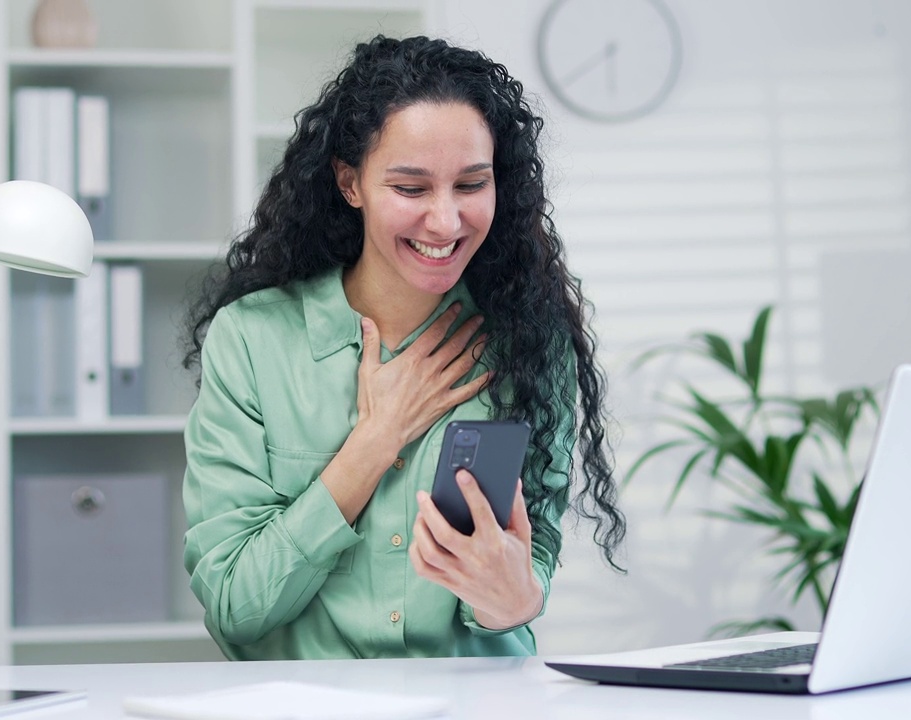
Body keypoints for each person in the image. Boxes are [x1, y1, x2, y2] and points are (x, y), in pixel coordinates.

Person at [181, 34, 624, 661]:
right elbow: (235, 608)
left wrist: (516, 597)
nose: (446, 222)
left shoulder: (528, 340)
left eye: (471, 184)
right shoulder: (254, 339)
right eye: (412, 189)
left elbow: (529, 566)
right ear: (350, 183)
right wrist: (375, 441)